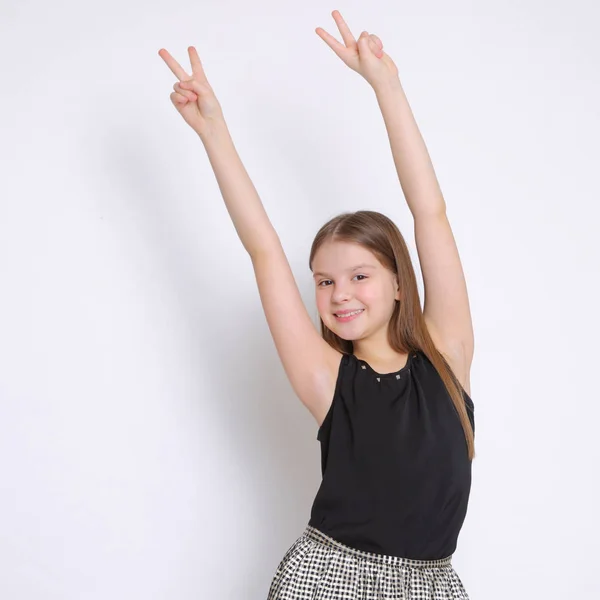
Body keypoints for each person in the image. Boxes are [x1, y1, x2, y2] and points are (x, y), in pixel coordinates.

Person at [159, 9, 476, 600]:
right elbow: (263, 249)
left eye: (359, 275)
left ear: (401, 282)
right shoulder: (328, 379)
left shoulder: (449, 356)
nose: (339, 294)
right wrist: (214, 133)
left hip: (433, 584)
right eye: (324, 282)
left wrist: (387, 86)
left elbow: (429, 210)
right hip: (331, 578)